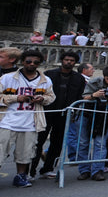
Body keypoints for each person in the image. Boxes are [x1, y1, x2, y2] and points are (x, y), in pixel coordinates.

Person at [0, 49, 56, 187]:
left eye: (36, 62)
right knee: (1, 151)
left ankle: (21, 176)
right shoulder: (7, 78)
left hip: (31, 122)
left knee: (25, 152)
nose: (32, 64)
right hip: (7, 121)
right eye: (28, 61)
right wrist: (16, 98)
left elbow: (51, 97)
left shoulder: (45, 80)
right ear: (22, 62)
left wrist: (42, 98)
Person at [31, 51, 86, 179]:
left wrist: (74, 111)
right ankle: (31, 170)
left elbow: (79, 96)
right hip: (47, 112)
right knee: (38, 142)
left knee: (57, 143)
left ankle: (48, 168)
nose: (69, 62)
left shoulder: (79, 78)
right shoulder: (49, 74)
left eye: (71, 60)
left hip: (64, 114)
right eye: (67, 60)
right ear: (62, 60)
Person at [77, 65, 108, 181]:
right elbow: (83, 98)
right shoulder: (94, 82)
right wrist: (94, 95)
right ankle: (84, 170)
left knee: (101, 143)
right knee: (84, 143)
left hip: (106, 115)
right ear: (103, 77)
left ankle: (97, 170)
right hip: (89, 114)